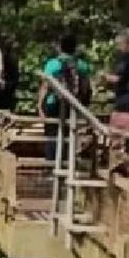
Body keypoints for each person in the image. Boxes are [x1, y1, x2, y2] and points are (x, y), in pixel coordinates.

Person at [38, 33, 93, 162]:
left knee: (52, 134)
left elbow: (45, 86)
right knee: (70, 133)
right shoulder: (82, 65)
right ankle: (68, 163)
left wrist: (40, 105)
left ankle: (51, 164)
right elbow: (86, 87)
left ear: (59, 47)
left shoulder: (52, 64)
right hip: (73, 104)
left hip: (53, 104)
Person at [104, 28, 129, 135]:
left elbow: (119, 78)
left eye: (120, 44)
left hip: (126, 101)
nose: (119, 47)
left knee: (119, 135)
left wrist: (105, 77)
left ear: (128, 42)